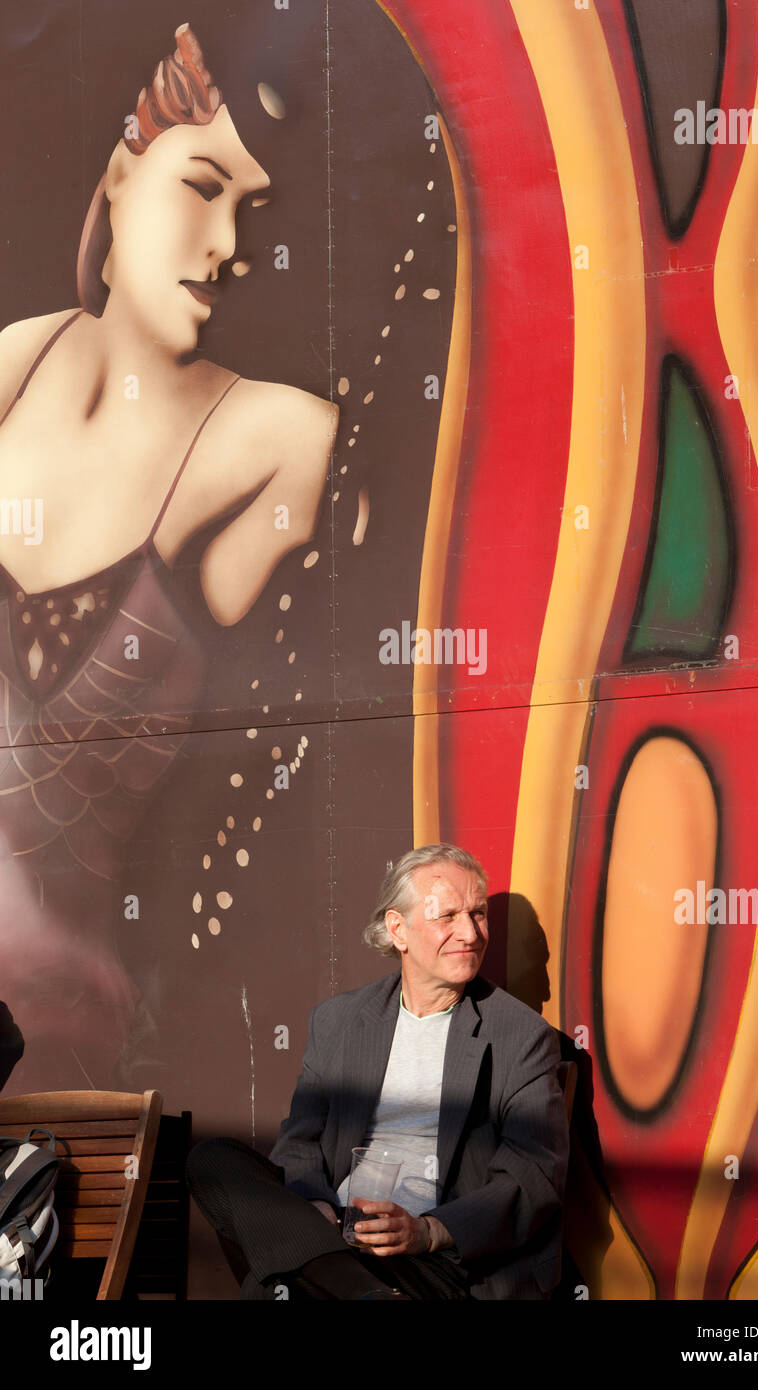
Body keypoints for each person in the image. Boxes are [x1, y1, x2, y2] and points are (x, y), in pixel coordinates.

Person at [0, 24, 337, 1089]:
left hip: (69, 1035)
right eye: (203, 186)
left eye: (255, 209)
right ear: (120, 170)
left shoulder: (275, 436)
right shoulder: (13, 363)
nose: (228, 244)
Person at [186, 843, 570, 1299]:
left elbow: (533, 1175)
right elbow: (300, 1142)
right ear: (398, 929)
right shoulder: (340, 1021)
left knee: (280, 1284)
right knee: (212, 1159)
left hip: (437, 1262)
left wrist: (427, 1231)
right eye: (447, 916)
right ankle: (350, 1286)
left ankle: (323, 1277)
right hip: (338, 1237)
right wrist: (316, 1208)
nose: (470, 932)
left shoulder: (521, 1036)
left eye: (479, 914)